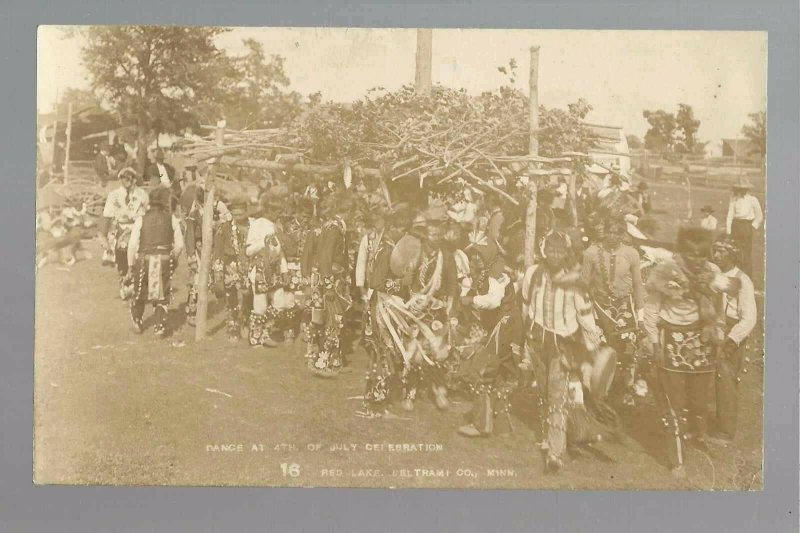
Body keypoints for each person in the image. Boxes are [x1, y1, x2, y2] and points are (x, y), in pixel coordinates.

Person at [642, 227, 732, 479]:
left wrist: (719, 338)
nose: (697, 259)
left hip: (702, 342)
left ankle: (696, 437)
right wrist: (652, 341)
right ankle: (676, 460)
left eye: (702, 254)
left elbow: (719, 310)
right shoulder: (666, 270)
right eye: (692, 254)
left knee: (698, 402)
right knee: (673, 405)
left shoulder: (713, 273)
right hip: (671, 341)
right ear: (681, 251)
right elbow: (652, 308)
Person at [520, 231, 605, 472]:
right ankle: (549, 436)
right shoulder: (532, 274)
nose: (555, 254)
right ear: (543, 250)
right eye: (551, 249)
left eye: (560, 250)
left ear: (567, 253)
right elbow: (525, 305)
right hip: (537, 341)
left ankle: (555, 454)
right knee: (544, 393)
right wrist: (527, 340)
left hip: (563, 346)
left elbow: (586, 316)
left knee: (557, 396)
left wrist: (594, 347)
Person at [457, 252, 521, 437]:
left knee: (481, 369)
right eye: (472, 256)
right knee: (499, 374)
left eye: (478, 256)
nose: (474, 260)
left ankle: (481, 424)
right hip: (507, 326)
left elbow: (493, 301)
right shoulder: (481, 274)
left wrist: (471, 300)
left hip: (505, 325)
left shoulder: (495, 271)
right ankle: (502, 426)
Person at [582, 214, 645, 399]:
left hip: (624, 307)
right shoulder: (591, 253)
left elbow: (638, 285)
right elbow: (584, 284)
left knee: (628, 348)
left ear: (622, 233)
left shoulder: (631, 253)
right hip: (599, 307)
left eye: (617, 232)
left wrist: (640, 318)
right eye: (609, 231)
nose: (612, 236)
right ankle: (598, 388)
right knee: (599, 347)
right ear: (604, 231)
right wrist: (585, 312)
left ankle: (625, 388)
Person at [708, 238, 757, 445]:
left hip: (731, 332)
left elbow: (749, 318)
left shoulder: (742, 280)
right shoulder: (713, 274)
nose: (716, 255)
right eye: (715, 250)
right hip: (713, 327)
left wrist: (731, 342)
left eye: (721, 252)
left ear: (732, 255)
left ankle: (725, 432)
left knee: (726, 378)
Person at [301, 192, 354, 375]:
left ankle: (330, 358)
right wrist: (329, 285)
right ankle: (323, 362)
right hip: (329, 280)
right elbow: (325, 256)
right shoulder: (334, 228)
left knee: (324, 318)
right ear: (347, 211)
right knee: (333, 319)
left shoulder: (332, 227)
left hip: (328, 278)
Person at [126, 186, 184, 336]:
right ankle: (159, 326)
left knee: (139, 291)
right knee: (162, 293)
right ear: (166, 202)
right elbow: (179, 245)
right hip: (164, 259)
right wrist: (174, 259)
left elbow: (132, 245)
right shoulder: (172, 219)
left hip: (143, 260)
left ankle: (137, 321)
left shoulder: (141, 219)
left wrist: (130, 265)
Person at [100, 167, 149, 300]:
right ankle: (124, 284)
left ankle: (137, 285)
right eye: (123, 178)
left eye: (129, 178)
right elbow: (107, 215)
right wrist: (103, 236)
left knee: (138, 259)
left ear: (134, 179)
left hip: (138, 228)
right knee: (121, 257)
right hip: (120, 229)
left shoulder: (142, 194)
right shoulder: (114, 195)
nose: (126, 181)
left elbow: (148, 213)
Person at [212, 196, 252, 343]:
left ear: (246, 212)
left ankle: (246, 321)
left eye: (241, 214)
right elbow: (218, 251)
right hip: (231, 267)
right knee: (231, 298)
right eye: (235, 215)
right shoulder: (224, 228)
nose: (238, 217)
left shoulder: (252, 226)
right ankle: (233, 326)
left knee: (248, 296)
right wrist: (218, 274)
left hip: (249, 266)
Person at [245, 200, 285, 348]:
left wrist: (284, 270)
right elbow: (248, 250)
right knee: (260, 305)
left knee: (280, 302)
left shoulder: (278, 226)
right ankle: (256, 337)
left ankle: (266, 331)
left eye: (279, 211)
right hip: (260, 269)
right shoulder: (257, 224)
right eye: (276, 211)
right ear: (268, 210)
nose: (278, 214)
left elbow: (280, 252)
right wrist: (264, 242)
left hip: (275, 270)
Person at [725, 177, 763, 274]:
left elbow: (759, 216)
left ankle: (747, 275)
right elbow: (730, 214)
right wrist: (728, 230)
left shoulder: (752, 199)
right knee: (734, 250)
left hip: (746, 226)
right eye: (739, 188)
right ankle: (735, 275)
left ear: (747, 189)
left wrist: (752, 227)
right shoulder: (734, 199)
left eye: (743, 189)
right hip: (736, 226)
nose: (741, 190)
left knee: (745, 251)